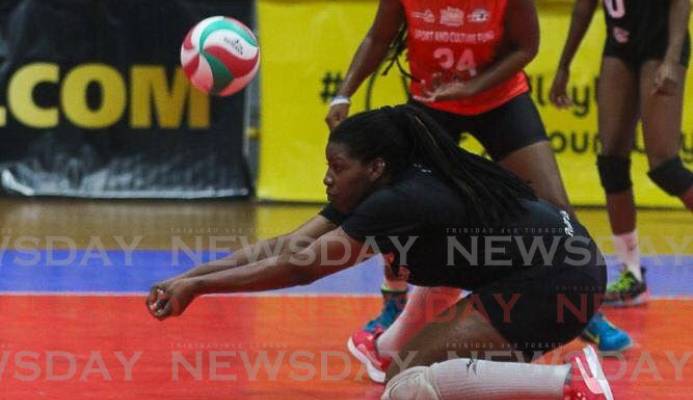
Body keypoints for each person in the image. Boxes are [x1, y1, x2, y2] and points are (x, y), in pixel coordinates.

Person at [147, 106, 613, 400]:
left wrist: (203, 287)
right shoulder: (382, 187)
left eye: (337, 167)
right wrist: (194, 274)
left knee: (406, 383)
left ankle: (568, 382)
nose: (328, 178)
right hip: (563, 265)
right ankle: (555, 384)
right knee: (421, 367)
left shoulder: (399, 200)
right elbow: (290, 244)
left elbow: (301, 267)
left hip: (556, 281)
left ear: (375, 167)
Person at [325, 0, 629, 352]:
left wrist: (473, 87)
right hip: (431, 102)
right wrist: (342, 94)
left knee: (554, 203)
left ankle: (584, 309)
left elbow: (526, 47)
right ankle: (393, 304)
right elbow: (378, 38)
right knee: (394, 203)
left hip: (499, 100)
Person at [550, 0, 693, 307]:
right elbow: (583, 8)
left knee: (665, 166)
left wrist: (671, 57)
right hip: (620, 43)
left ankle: (632, 275)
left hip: (660, 43)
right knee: (611, 162)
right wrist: (563, 65)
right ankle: (631, 276)